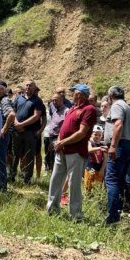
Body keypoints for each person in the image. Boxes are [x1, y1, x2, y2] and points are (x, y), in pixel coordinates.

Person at [46, 84, 97, 221]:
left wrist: (63, 142)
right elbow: (64, 128)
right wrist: (59, 141)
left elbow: (81, 133)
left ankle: (75, 215)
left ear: (80, 94)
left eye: (74, 92)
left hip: (75, 151)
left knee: (74, 184)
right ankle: (52, 210)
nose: (71, 95)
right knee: (55, 179)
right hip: (62, 149)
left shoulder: (89, 109)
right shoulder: (73, 108)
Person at [104, 86, 130, 224]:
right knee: (121, 181)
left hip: (120, 146)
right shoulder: (128, 107)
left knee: (111, 180)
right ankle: (119, 211)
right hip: (128, 145)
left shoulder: (117, 106)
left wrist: (113, 146)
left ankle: (112, 217)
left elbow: (118, 124)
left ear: (111, 96)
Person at [11, 80, 45, 184]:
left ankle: (27, 179)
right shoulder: (18, 98)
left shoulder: (37, 101)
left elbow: (36, 117)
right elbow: (13, 112)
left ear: (35, 88)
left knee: (29, 155)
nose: (28, 87)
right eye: (27, 85)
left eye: (31, 85)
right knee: (15, 154)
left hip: (30, 133)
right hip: (17, 132)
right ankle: (12, 176)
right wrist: (16, 123)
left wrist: (22, 125)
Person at [0, 80, 15, 192]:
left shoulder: (4, 100)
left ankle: (1, 189)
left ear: (3, 89)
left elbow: (11, 115)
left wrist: (3, 130)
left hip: (1, 137)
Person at [45, 94, 69, 173]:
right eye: (53, 100)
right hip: (51, 137)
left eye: (56, 100)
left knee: (58, 158)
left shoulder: (66, 111)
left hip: (59, 138)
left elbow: (66, 126)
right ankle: (52, 174)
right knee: (51, 157)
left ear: (61, 100)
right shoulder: (54, 109)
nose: (54, 102)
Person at [86, 125, 106, 191]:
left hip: (99, 169)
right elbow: (90, 149)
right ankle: (87, 200)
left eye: (99, 135)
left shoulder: (102, 145)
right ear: (91, 134)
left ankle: (96, 200)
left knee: (97, 187)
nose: (97, 136)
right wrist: (99, 148)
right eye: (95, 134)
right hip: (89, 168)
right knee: (88, 186)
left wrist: (102, 169)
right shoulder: (89, 142)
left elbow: (106, 158)